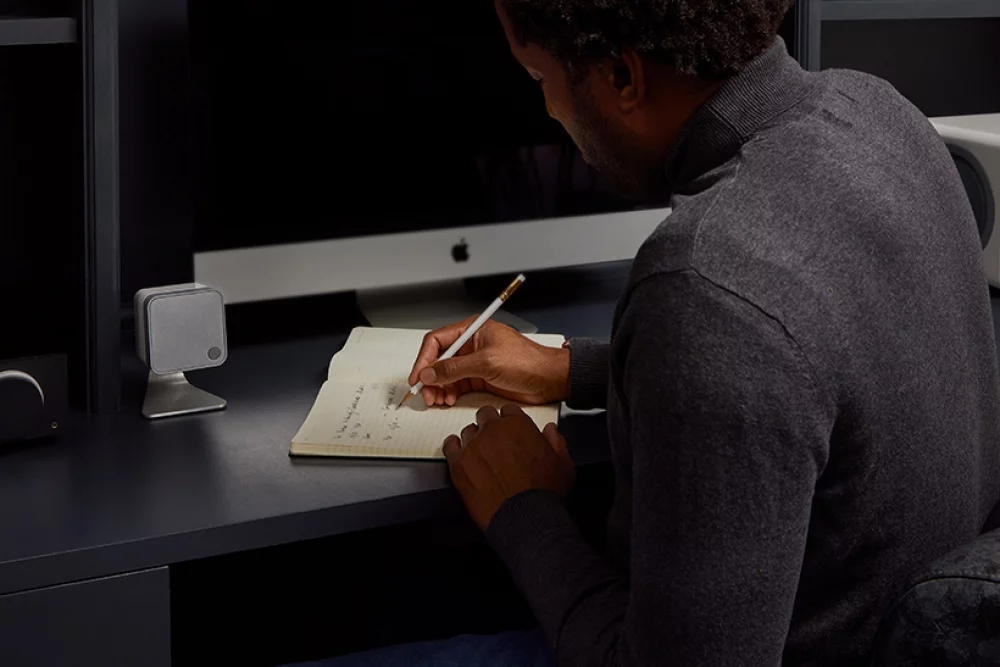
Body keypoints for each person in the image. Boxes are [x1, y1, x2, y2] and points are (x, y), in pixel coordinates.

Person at [304, 0, 1000, 665]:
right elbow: (812, 370)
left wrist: (526, 508)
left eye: (540, 78)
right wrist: (571, 368)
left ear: (621, 76)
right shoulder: (880, 110)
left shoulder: (706, 280)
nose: (546, 109)